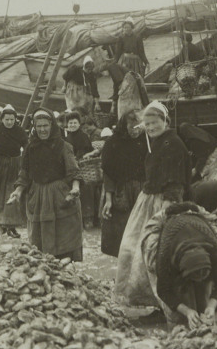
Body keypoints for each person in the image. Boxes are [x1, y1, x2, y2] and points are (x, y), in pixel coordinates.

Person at [114, 100, 191, 306]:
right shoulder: (156, 143)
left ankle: (162, 304)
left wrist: (165, 213)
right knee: (133, 250)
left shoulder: (173, 144)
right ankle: (145, 299)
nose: (150, 128)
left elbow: (175, 181)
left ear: (165, 121)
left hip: (164, 203)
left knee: (153, 253)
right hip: (147, 201)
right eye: (147, 124)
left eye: (154, 122)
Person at [6, 108, 83, 261]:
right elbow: (24, 174)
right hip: (38, 196)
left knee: (64, 234)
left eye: (45, 125)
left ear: (52, 125)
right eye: (39, 126)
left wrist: (75, 188)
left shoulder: (64, 146)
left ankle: (65, 267)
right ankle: (45, 267)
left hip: (59, 195)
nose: (42, 129)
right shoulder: (30, 148)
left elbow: (73, 172)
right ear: (34, 127)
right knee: (39, 239)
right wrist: (18, 191)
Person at [142, 202, 217, 328]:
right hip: (171, 229)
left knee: (204, 302)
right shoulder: (165, 252)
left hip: (199, 222)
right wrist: (187, 311)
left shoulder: (215, 248)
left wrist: (211, 305)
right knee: (179, 318)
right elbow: (164, 290)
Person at [100, 111, 147, 257]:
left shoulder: (146, 140)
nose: (135, 132)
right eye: (132, 128)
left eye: (138, 128)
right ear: (123, 126)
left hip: (142, 190)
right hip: (121, 192)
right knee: (121, 235)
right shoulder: (113, 143)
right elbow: (108, 173)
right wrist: (108, 199)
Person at [0, 104, 28, 237]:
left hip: (15, 165)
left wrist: (24, 164)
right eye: (6, 119)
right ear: (2, 119)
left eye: (12, 119)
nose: (9, 122)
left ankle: (11, 226)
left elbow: (26, 148)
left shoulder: (20, 131)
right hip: (0, 166)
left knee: (12, 193)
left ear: (15, 119)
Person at [64, 111, 99, 228]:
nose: (72, 125)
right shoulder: (66, 138)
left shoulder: (83, 136)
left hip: (83, 168)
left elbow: (87, 151)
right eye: (70, 123)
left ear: (79, 124)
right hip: (71, 169)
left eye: (74, 123)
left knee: (87, 192)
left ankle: (88, 219)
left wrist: (78, 158)